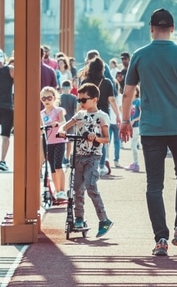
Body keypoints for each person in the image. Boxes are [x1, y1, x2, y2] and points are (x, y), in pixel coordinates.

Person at [120, 8, 177, 257]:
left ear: (151, 28)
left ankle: (161, 239)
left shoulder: (139, 55)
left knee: (154, 184)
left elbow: (128, 93)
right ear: (172, 28)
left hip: (151, 128)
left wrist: (125, 120)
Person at [56, 82, 113, 238]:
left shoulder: (102, 116)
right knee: (76, 189)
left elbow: (106, 139)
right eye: (78, 100)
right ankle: (79, 218)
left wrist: (96, 138)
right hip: (78, 155)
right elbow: (64, 126)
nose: (80, 103)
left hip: (93, 157)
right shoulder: (79, 115)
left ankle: (104, 220)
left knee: (90, 185)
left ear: (94, 99)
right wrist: (61, 131)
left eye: (83, 100)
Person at [78, 57, 120, 176]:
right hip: (102, 114)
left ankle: (86, 164)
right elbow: (111, 100)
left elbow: (80, 100)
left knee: (86, 138)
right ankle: (100, 166)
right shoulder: (107, 82)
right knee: (100, 140)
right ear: (102, 68)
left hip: (87, 113)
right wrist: (117, 115)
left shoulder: (85, 81)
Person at [40, 86, 68, 201]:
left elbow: (63, 122)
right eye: (43, 98)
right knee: (51, 167)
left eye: (49, 98)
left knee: (58, 165)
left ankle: (62, 190)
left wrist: (57, 123)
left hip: (59, 141)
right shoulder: (41, 113)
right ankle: (57, 191)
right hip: (48, 142)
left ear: (54, 98)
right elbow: (41, 128)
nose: (46, 101)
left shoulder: (58, 110)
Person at [125, 87, 141, 172]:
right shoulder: (131, 101)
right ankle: (134, 162)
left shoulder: (138, 101)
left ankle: (136, 163)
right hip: (130, 126)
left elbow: (142, 114)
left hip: (136, 126)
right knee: (132, 145)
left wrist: (134, 120)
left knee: (133, 145)